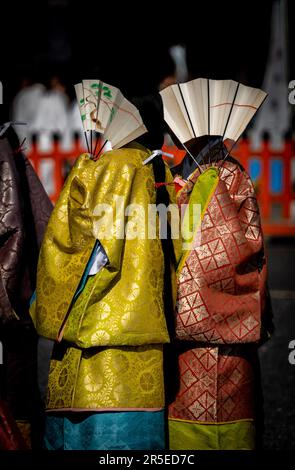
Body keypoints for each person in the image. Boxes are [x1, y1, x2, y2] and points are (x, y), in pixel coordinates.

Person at [30, 94, 181, 450]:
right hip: (149, 326)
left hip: (102, 327)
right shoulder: (160, 170)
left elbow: (89, 244)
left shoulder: (113, 166)